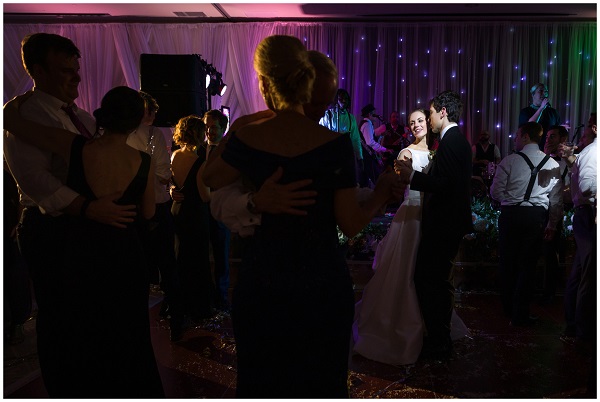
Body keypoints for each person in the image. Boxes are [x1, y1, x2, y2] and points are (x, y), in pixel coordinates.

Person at [202, 34, 396, 398]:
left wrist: (243, 131)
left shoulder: (249, 136)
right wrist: (382, 194)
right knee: (320, 383)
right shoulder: (335, 145)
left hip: (264, 278)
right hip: (321, 280)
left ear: (264, 82)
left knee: (263, 381)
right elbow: (351, 223)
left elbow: (207, 180)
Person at [3, 33, 140, 396]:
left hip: (87, 227)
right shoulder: (26, 113)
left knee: (86, 316)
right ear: (37, 71)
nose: (77, 78)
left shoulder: (78, 114)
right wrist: (87, 207)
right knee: (59, 319)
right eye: (66, 70)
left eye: (77, 70)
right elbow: (34, 179)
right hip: (53, 226)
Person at [353, 108, 468, 366]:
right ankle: (402, 324)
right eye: (411, 122)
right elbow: (397, 186)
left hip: (431, 219)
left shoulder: (437, 153)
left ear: (428, 123)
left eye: (419, 120)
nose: (416, 125)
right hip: (410, 218)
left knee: (429, 275)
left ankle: (431, 326)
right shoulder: (406, 153)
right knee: (405, 272)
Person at [210, 50, 338, 238]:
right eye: (316, 103)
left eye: (326, 105)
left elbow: (342, 199)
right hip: (266, 254)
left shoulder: (330, 144)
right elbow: (216, 194)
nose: (321, 113)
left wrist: (377, 195)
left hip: (319, 256)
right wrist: (254, 203)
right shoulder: (257, 135)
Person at [395, 90, 473, 360]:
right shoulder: (454, 141)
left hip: (443, 224)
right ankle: (440, 335)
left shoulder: (451, 142)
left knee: (429, 280)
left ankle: (439, 339)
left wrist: (412, 177)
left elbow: (446, 185)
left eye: (429, 113)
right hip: (447, 223)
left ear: (442, 111)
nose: (427, 119)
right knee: (439, 281)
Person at [490, 122, 562, 327]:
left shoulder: (510, 160)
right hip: (536, 217)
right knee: (527, 266)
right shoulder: (553, 164)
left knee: (508, 262)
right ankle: (520, 313)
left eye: (517, 134)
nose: (514, 137)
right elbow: (555, 201)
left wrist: (512, 200)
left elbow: (495, 192)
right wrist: (552, 224)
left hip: (511, 214)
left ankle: (507, 308)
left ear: (525, 137)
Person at [127, 91, 184, 340]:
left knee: (140, 268)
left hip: (134, 207)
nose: (154, 115)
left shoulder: (127, 135)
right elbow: (162, 174)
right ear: (145, 111)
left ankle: (141, 326)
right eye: (152, 110)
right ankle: (177, 320)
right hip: (154, 208)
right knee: (166, 265)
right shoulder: (153, 134)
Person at [170, 115, 214, 322]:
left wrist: (172, 189)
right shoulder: (199, 162)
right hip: (195, 214)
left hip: (177, 210)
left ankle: (181, 304)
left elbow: (174, 183)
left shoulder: (174, 156)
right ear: (199, 134)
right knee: (198, 260)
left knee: (181, 258)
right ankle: (199, 308)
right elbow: (205, 196)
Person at [561, 113, 596, 347]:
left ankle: (574, 324)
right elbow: (587, 186)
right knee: (590, 276)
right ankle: (585, 333)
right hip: (590, 214)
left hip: (586, 214)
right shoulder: (595, 151)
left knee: (582, 272)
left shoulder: (590, 151)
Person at [202, 109, 232, 312]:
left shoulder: (228, 151)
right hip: (200, 210)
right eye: (206, 127)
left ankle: (221, 297)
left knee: (221, 255)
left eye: (213, 127)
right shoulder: (197, 149)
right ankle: (204, 295)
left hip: (221, 209)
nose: (209, 132)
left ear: (223, 128)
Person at [540, 125, 570, 305]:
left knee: (550, 254)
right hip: (538, 210)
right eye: (547, 136)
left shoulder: (568, 162)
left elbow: (567, 191)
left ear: (563, 140)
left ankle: (549, 293)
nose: (548, 140)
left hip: (555, 211)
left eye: (553, 137)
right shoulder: (539, 159)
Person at [320, 88, 363, 184]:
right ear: (336, 100)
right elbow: (319, 135)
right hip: (329, 157)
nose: (344, 101)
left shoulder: (351, 118)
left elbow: (355, 140)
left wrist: (360, 158)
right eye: (341, 98)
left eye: (346, 99)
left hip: (345, 157)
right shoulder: (327, 115)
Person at [519, 83, 562, 150]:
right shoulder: (525, 111)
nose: (544, 94)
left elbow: (555, 130)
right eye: (540, 91)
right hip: (531, 150)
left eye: (546, 92)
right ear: (533, 95)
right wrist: (541, 108)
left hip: (549, 150)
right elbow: (530, 126)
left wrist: (561, 128)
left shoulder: (553, 112)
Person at [359, 103, 390, 188]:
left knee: (364, 182)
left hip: (365, 157)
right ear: (370, 114)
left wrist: (381, 134)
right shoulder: (367, 124)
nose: (376, 116)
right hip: (367, 157)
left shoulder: (366, 124)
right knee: (378, 180)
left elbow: (368, 138)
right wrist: (384, 149)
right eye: (374, 113)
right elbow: (370, 142)